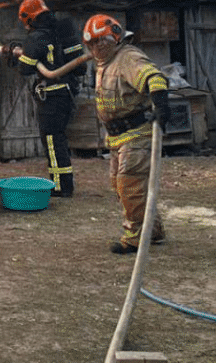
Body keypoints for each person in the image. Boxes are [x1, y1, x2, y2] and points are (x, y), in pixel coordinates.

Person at [82, 13, 171, 254]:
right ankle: (151, 229)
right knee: (120, 186)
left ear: (115, 36)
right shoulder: (104, 63)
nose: (97, 47)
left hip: (137, 133)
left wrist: (162, 108)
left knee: (130, 184)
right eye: (92, 43)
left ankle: (134, 238)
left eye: (102, 41)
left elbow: (154, 78)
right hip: (117, 137)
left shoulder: (127, 57)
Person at [7, 0, 90, 197]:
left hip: (51, 97)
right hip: (67, 95)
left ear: (29, 18)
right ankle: (63, 183)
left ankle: (61, 187)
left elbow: (25, 69)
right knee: (58, 139)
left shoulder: (37, 37)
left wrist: (21, 53)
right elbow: (80, 69)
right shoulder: (62, 31)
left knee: (52, 140)